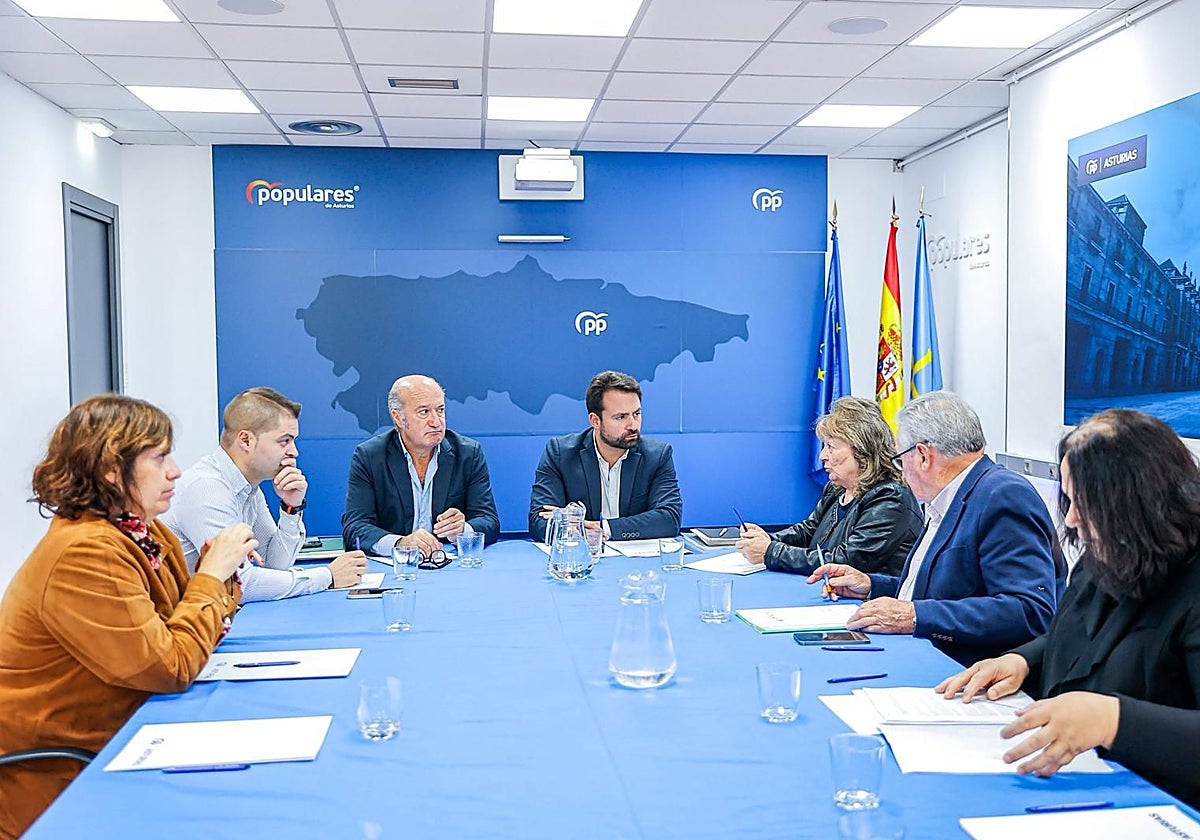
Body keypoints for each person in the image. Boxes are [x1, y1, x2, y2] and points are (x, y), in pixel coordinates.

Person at [0, 394, 257, 839]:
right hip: (61, 775)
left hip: (119, 738)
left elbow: (184, 631)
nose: (175, 471)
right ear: (110, 470)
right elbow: (171, 665)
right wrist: (211, 576)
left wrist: (216, 578)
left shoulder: (144, 533)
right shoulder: (85, 551)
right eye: (159, 459)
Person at [936, 409, 1200, 808]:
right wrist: (1021, 662)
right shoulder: (1108, 553)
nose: (1072, 519)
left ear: (1137, 502)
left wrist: (1114, 721)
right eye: (1070, 499)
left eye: (1085, 502)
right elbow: (1083, 637)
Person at [807, 391, 1059, 665]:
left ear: (923, 456)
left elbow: (1029, 610)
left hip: (961, 670)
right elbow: (942, 591)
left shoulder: (1002, 496)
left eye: (900, 460)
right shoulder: (949, 497)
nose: (901, 471)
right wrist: (871, 586)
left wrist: (915, 616)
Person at [161, 387, 366, 601]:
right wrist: (327, 577)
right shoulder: (207, 489)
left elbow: (273, 564)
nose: (294, 452)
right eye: (284, 441)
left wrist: (291, 508)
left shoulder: (248, 487)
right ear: (246, 440)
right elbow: (239, 584)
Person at [736, 396, 922, 576]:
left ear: (862, 450)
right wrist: (767, 540)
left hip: (871, 596)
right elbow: (809, 531)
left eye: (831, 447)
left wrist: (771, 551)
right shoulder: (837, 488)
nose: (822, 456)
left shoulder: (891, 498)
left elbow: (847, 560)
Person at [343, 375, 500, 556]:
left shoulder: (467, 454)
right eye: (424, 412)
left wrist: (462, 529)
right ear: (398, 418)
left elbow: (489, 520)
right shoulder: (370, 457)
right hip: (397, 566)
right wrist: (400, 543)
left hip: (447, 561)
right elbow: (355, 527)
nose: (436, 422)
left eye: (440, 410)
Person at [528, 370, 682, 542]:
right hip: (583, 555)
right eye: (620, 417)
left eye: (636, 414)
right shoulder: (560, 455)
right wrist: (572, 531)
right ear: (595, 420)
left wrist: (603, 528)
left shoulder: (657, 456)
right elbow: (539, 521)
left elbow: (670, 519)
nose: (633, 425)